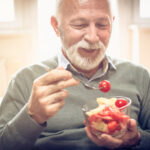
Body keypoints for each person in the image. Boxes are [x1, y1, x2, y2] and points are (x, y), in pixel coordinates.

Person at [0, 0, 150, 149]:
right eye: (79, 25)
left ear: (112, 23)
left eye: (102, 25)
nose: (92, 37)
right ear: (56, 26)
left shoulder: (139, 76)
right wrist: (32, 116)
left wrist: (137, 139)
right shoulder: (26, 80)